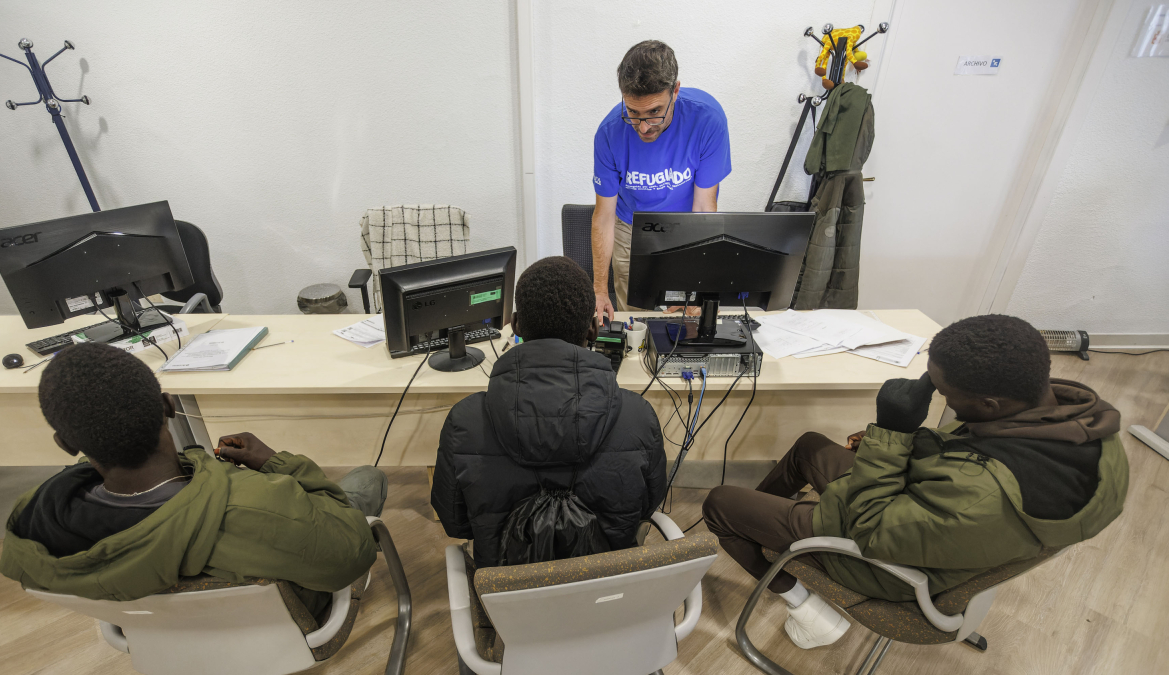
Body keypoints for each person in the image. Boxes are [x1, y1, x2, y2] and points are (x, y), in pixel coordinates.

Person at [703, 314, 1128, 649]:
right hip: (926, 521)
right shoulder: (1086, 431)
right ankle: (767, 534)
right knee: (810, 446)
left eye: (943, 391)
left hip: (886, 559)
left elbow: (869, 530)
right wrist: (906, 438)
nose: (936, 394)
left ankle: (805, 607)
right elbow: (958, 465)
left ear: (989, 403)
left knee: (720, 504)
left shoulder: (976, 498)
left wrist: (893, 431)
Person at [0, 342, 386, 621]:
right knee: (367, 480)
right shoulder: (257, 504)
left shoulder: (32, 525)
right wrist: (279, 464)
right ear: (169, 406)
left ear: (66, 444)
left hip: (159, 636)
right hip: (288, 624)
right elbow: (352, 556)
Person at [431, 256, 667, 568]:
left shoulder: (465, 421)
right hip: (607, 598)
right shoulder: (638, 416)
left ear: (515, 325)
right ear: (594, 329)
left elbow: (456, 523)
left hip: (508, 604)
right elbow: (647, 508)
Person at [591, 39, 732, 321]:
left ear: (675, 91)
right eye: (633, 112)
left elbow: (704, 208)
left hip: (687, 228)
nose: (643, 127)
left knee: (688, 318)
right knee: (637, 324)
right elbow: (604, 216)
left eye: (655, 112)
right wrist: (598, 290)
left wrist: (695, 284)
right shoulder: (608, 134)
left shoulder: (707, 121)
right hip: (630, 228)